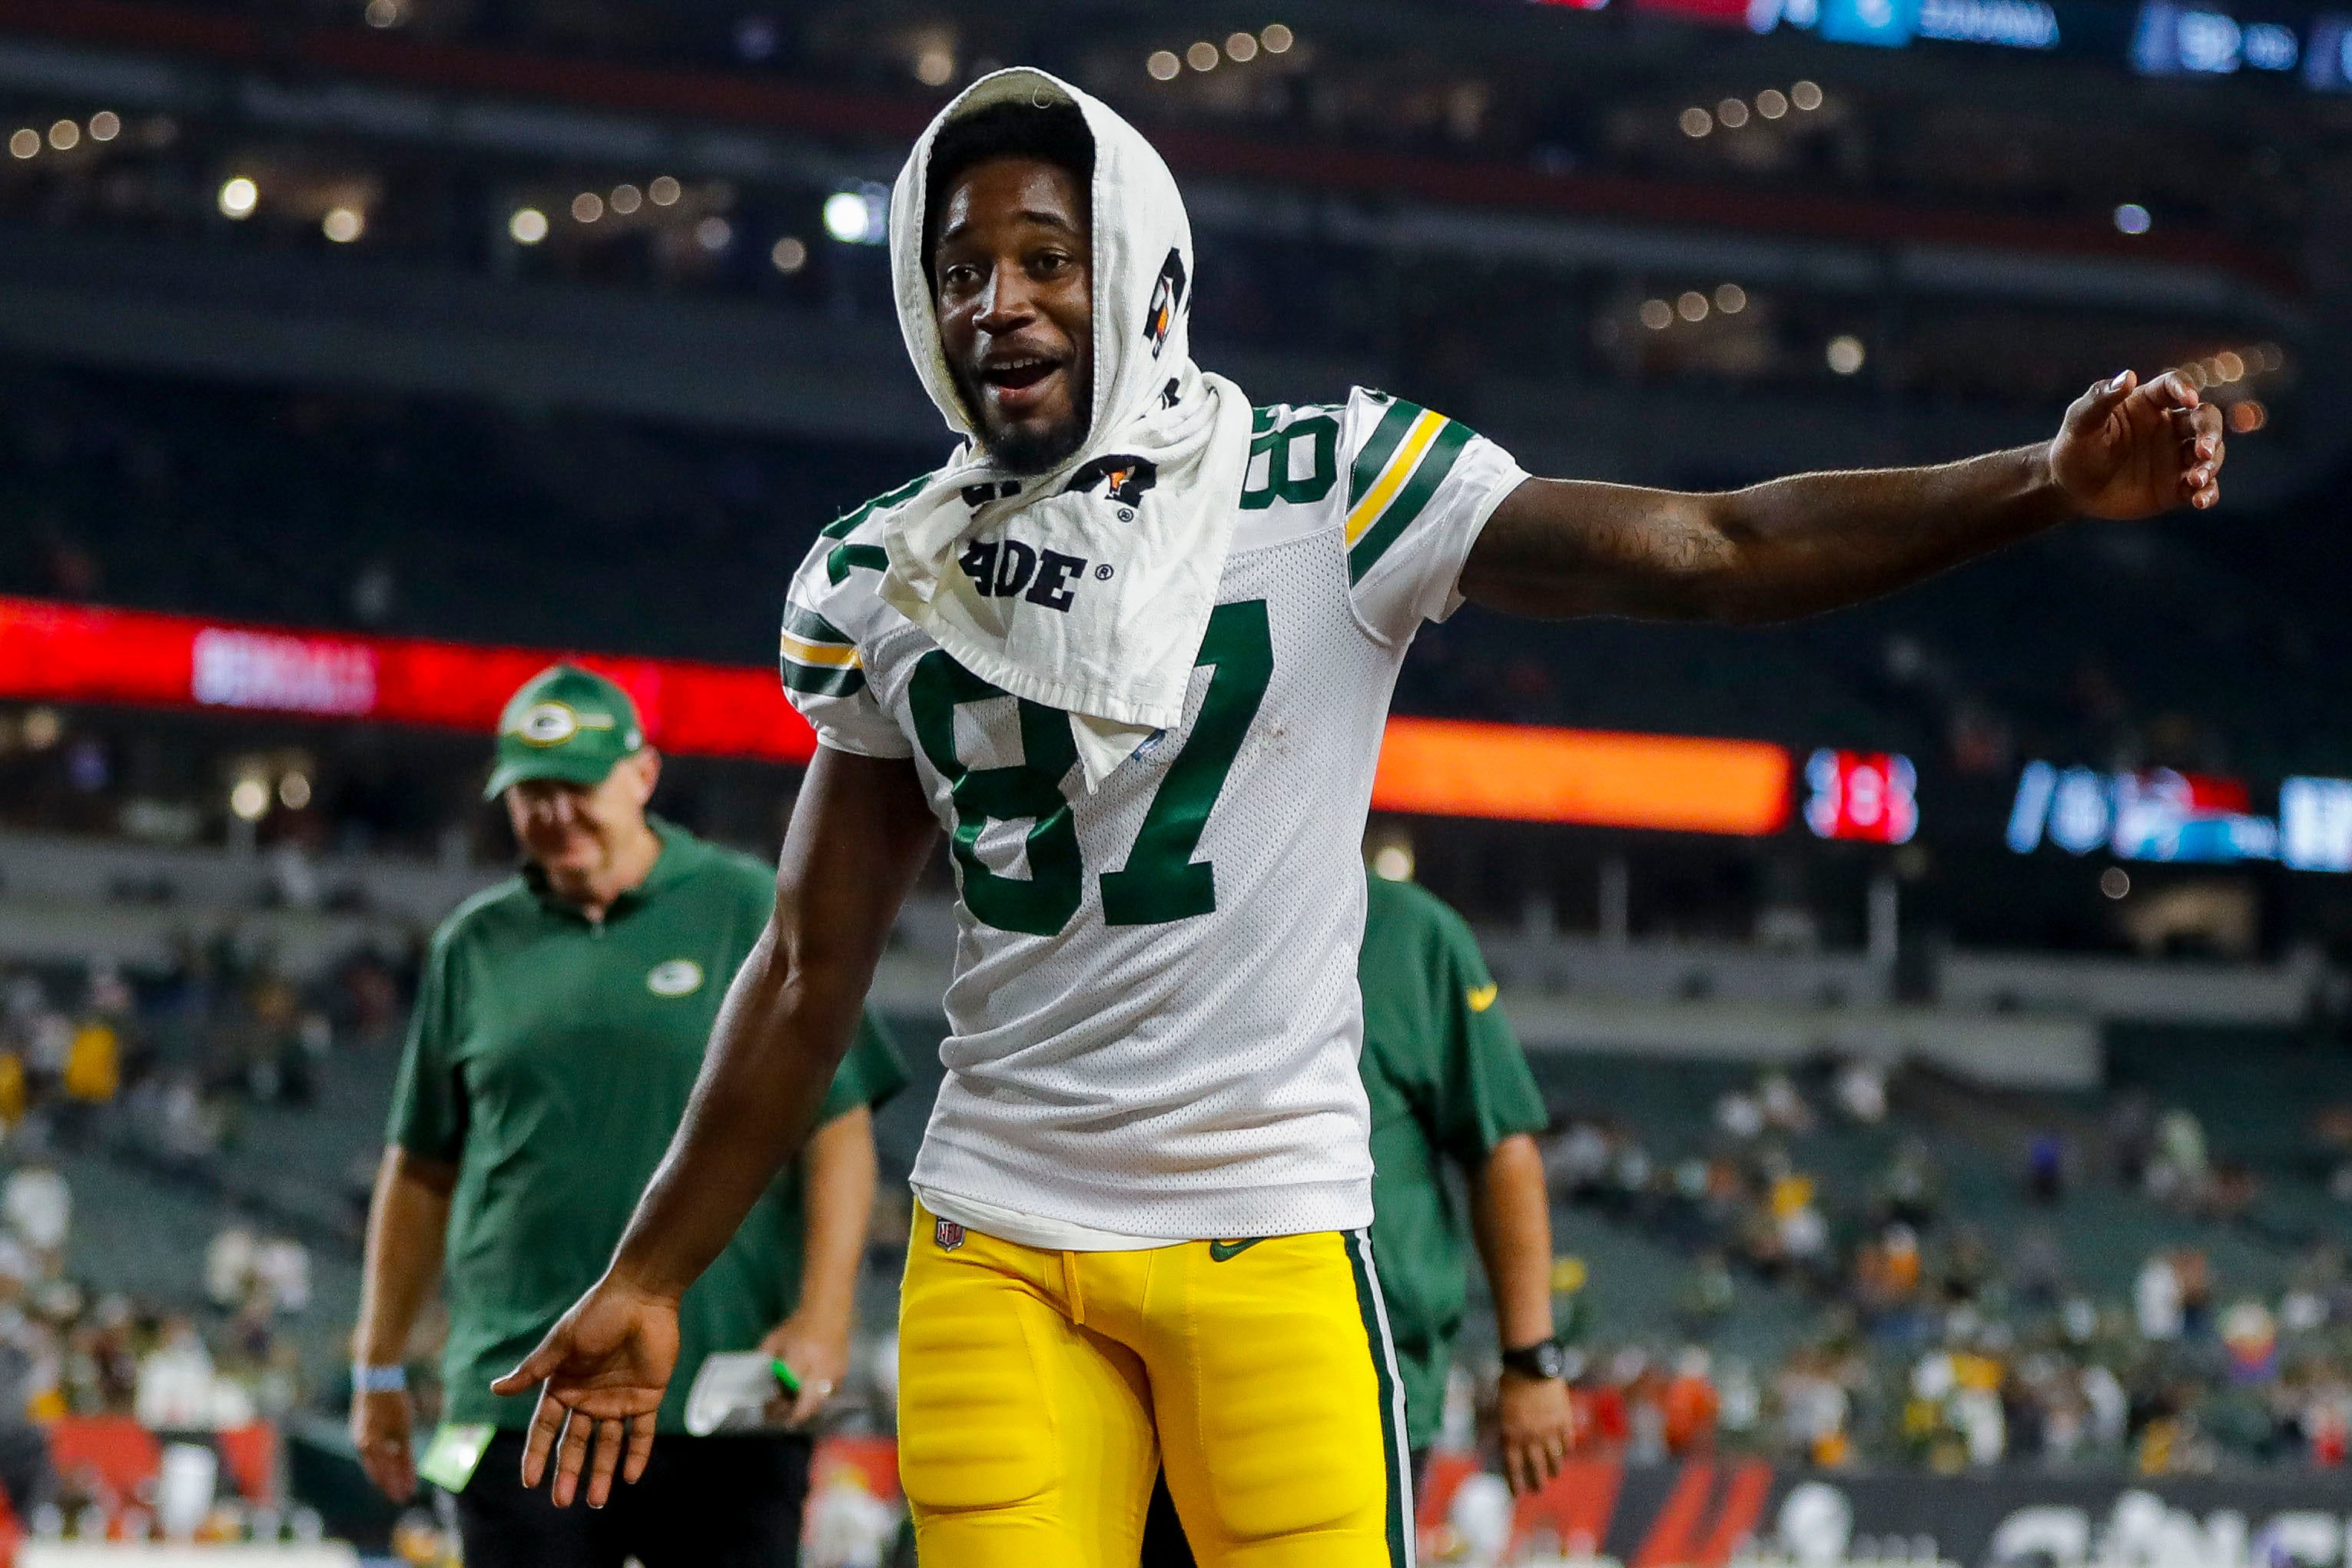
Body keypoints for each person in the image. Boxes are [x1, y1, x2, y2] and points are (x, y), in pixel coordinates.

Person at [492, 69, 2224, 1568]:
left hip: (1266, 1228)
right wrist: (655, 1270)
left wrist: (2039, 484)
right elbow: (808, 968)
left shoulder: (1327, 483)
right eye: (958, 271)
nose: (995, 303)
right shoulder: (891, 567)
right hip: (999, 1241)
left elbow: (1720, 551)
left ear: (1140, 271)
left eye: (1039, 257)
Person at [351, 665, 904, 1567]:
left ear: (642, 775)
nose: (553, 813)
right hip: (518, 1392)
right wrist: (377, 1366)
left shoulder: (747, 907)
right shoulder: (472, 944)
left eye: (575, 785)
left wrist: (823, 1315)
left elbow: (836, 1126)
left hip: (721, 1393)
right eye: (530, 792)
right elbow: (418, 1168)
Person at [1139, 867, 1569, 1563]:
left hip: (1368, 1369)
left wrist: (1531, 1358)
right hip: (1169, 1351)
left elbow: (1501, 1149)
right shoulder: (1158, 900)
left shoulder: (1408, 932)